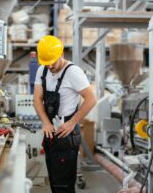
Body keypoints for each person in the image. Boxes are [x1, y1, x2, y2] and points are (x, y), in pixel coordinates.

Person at [33, 35, 97, 193]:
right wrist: (45, 122)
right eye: (46, 63)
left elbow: (91, 99)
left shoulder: (73, 72)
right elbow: (37, 99)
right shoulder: (43, 69)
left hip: (66, 133)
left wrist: (72, 122)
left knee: (64, 184)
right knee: (54, 180)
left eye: (52, 62)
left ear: (61, 54)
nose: (49, 66)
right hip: (50, 131)